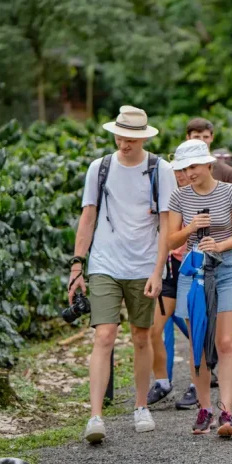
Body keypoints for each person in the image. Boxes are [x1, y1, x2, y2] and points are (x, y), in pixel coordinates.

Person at [68, 106, 176, 443]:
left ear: (142, 137)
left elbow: (166, 224)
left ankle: (141, 405)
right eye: (119, 135)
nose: (123, 142)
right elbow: (88, 218)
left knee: (142, 336)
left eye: (130, 137)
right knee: (104, 336)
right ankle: (95, 416)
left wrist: (159, 271)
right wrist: (77, 265)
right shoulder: (99, 168)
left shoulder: (161, 169)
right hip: (105, 263)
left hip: (144, 265)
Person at [168, 139, 232, 437]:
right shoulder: (179, 197)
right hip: (194, 272)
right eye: (183, 168)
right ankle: (205, 408)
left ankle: (226, 412)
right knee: (198, 343)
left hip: (227, 268)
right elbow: (170, 241)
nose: (188, 173)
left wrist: (220, 243)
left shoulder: (229, 192)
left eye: (192, 167)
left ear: (207, 164)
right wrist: (190, 228)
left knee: (226, 342)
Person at [147, 167, 192, 406]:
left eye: (185, 171)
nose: (181, 176)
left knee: (195, 330)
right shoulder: (165, 201)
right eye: (176, 172)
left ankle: (197, 384)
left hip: (192, 270)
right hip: (168, 271)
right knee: (153, 329)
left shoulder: (198, 196)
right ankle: (163, 382)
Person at [186, 118, 232, 184]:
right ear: (188, 138)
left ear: (212, 138)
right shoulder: (179, 171)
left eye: (206, 137)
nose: (201, 141)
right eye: (196, 137)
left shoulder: (226, 172)